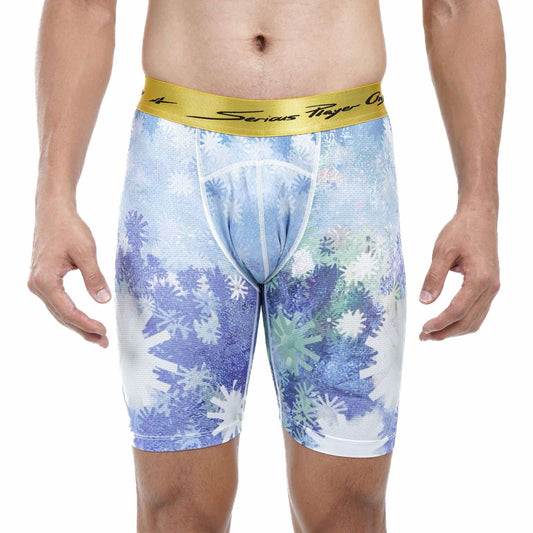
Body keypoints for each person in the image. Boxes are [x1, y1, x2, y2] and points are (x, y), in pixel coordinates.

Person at [28, 1, 504, 531]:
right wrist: (53, 199)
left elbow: (457, 7)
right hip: (176, 169)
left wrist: (480, 204)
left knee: (347, 509)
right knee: (175, 509)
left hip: (345, 172)